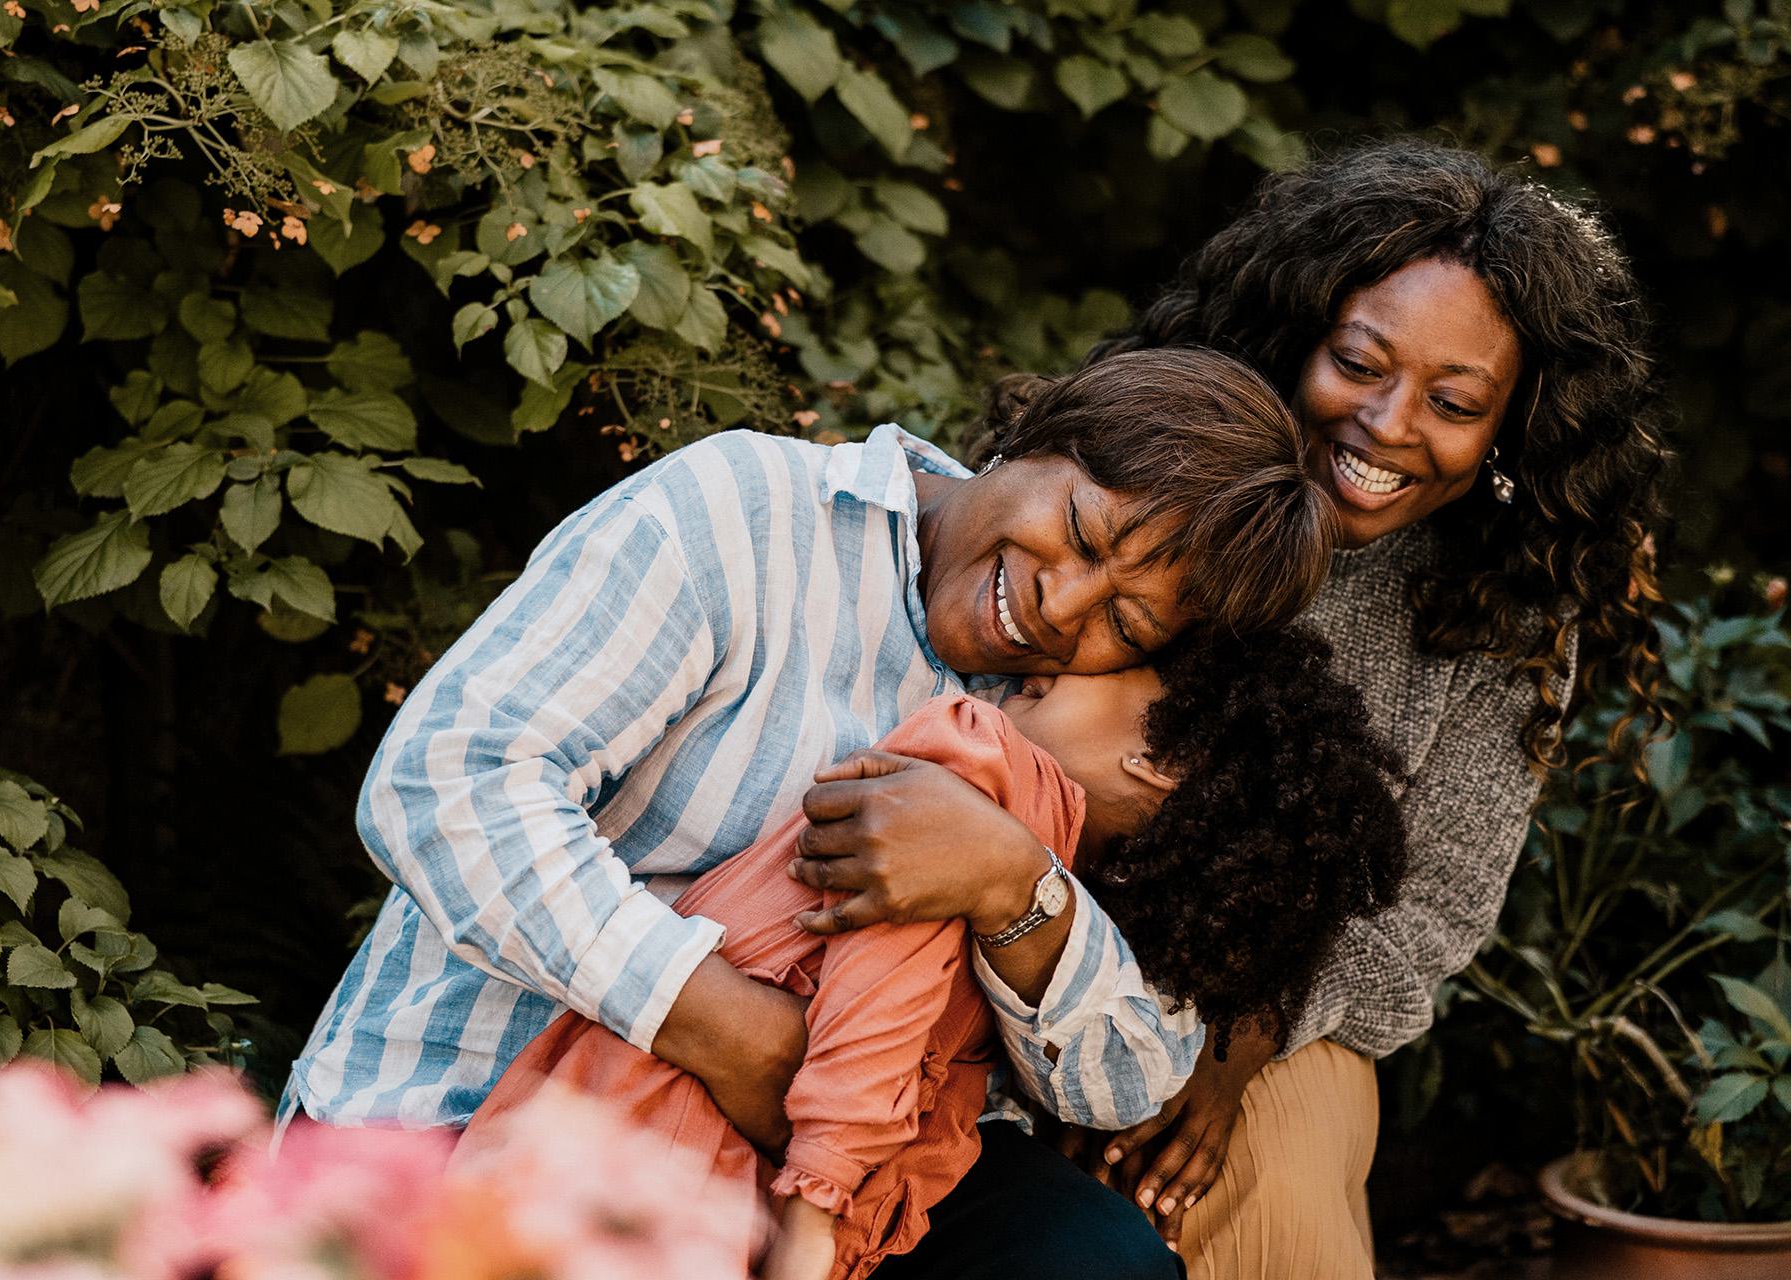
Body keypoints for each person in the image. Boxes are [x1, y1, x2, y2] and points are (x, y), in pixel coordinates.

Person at [789, 138, 1670, 1280]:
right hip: (989, 942)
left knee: (1253, 1192)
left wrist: (1236, 1043)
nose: (1389, 422)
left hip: (1275, 1010)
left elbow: (1429, 919)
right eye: (1358, 363)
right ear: (1297, 330)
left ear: (1516, 427)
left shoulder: (1504, 612)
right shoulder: (1150, 469)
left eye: (1454, 402)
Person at [282, 346, 1337, 1280]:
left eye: (1126, 621)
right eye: (1077, 533)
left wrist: (1015, 887)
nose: (1060, 605)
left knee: (1091, 1258)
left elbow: (1130, 1076)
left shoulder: (1071, 733)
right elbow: (448, 781)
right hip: (493, 1100)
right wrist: (733, 1035)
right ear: (1039, 435)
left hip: (840, 1170)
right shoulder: (746, 512)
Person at [454, 630, 1407, 1280]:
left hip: (695, 1137)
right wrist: (816, 1218)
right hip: (686, 1127)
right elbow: (880, 993)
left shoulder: (1021, 812)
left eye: (1126, 664)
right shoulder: (974, 758)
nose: (1069, 652)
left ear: (1161, 759)